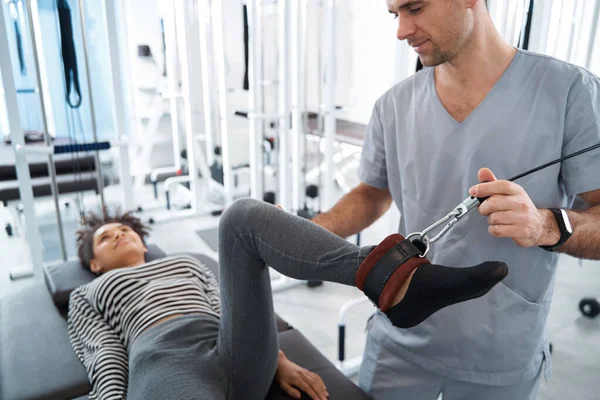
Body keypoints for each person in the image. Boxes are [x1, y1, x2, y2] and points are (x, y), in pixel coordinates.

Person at [308, 0, 600, 399]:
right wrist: (306, 233)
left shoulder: (569, 93)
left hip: (500, 356)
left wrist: (546, 225)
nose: (401, 31)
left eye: (415, 8)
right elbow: (373, 194)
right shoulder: (393, 105)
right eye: (396, 15)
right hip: (399, 340)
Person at [67, 199, 508, 400]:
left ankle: (392, 279)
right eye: (106, 238)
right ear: (95, 264)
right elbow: (102, 354)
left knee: (241, 217)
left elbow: (230, 312)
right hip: (164, 360)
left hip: (230, 349)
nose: (119, 233)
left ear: (144, 242)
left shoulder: (188, 262)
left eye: (124, 229)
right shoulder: (88, 293)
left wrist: (274, 358)